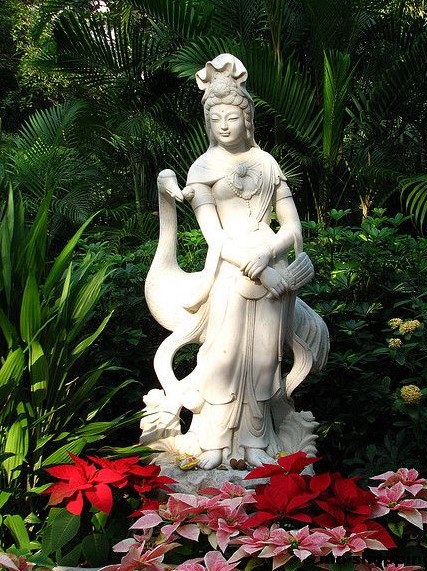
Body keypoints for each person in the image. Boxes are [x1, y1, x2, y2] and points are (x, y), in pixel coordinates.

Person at [143, 54, 328, 470]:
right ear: (208, 123)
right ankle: (211, 440)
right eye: (216, 119)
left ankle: (257, 441)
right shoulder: (203, 167)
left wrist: (268, 257)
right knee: (221, 355)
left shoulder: (267, 164)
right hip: (228, 271)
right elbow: (214, 234)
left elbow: (292, 226)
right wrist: (256, 266)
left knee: (264, 358)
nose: (224, 126)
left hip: (272, 269)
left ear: (247, 119)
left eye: (231, 117)